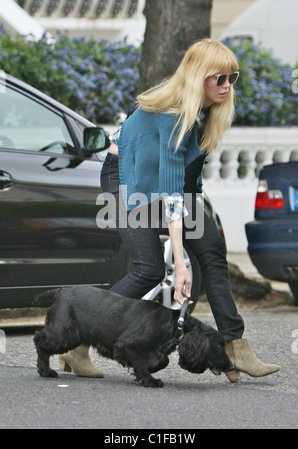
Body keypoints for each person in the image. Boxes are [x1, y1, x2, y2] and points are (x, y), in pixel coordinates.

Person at [61, 38, 280, 381]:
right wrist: (179, 263)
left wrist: (197, 220)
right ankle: (77, 345)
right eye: (218, 78)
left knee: (211, 249)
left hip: (167, 183)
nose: (226, 86)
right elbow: (170, 192)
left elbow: (185, 179)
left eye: (231, 78)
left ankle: (235, 346)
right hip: (125, 179)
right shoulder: (175, 115)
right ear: (197, 77)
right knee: (148, 267)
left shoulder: (205, 113)